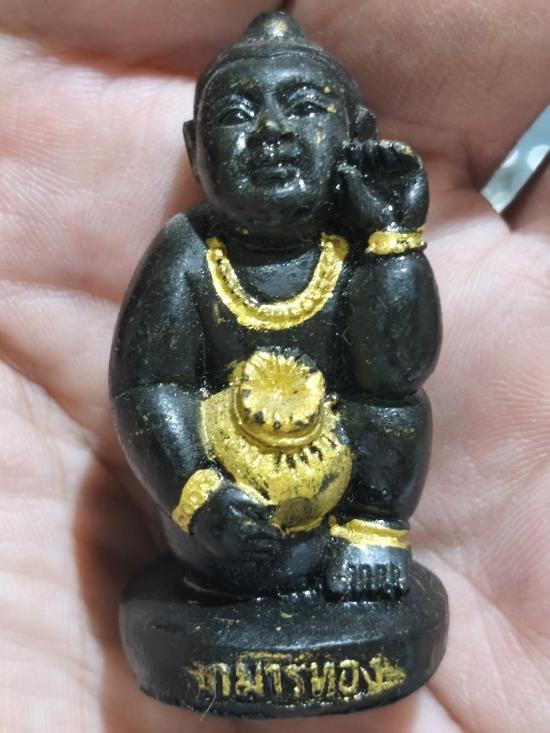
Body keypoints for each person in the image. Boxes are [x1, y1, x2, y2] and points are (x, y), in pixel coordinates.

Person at [0, 0, 548, 731]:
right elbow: (149, 387)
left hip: (341, 484)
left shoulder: (353, 251)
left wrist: (394, 240)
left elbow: (398, 365)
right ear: (196, 149)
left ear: (354, 138)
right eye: (238, 114)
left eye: (304, 109)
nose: (271, 133)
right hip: (225, 505)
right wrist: (201, 498)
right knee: (227, 554)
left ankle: (370, 535)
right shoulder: (187, 253)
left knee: (391, 406)